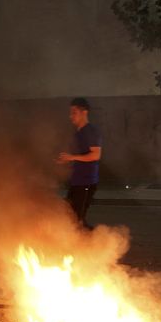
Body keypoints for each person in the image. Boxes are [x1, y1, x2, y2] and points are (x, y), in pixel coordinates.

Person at [56, 97, 102, 228]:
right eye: (70, 112)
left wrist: (72, 157)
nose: (71, 116)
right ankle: (92, 242)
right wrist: (66, 160)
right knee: (71, 217)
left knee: (76, 220)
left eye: (74, 112)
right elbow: (79, 156)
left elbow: (96, 155)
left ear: (84, 112)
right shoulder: (78, 133)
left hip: (86, 182)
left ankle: (99, 243)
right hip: (76, 182)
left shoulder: (91, 131)